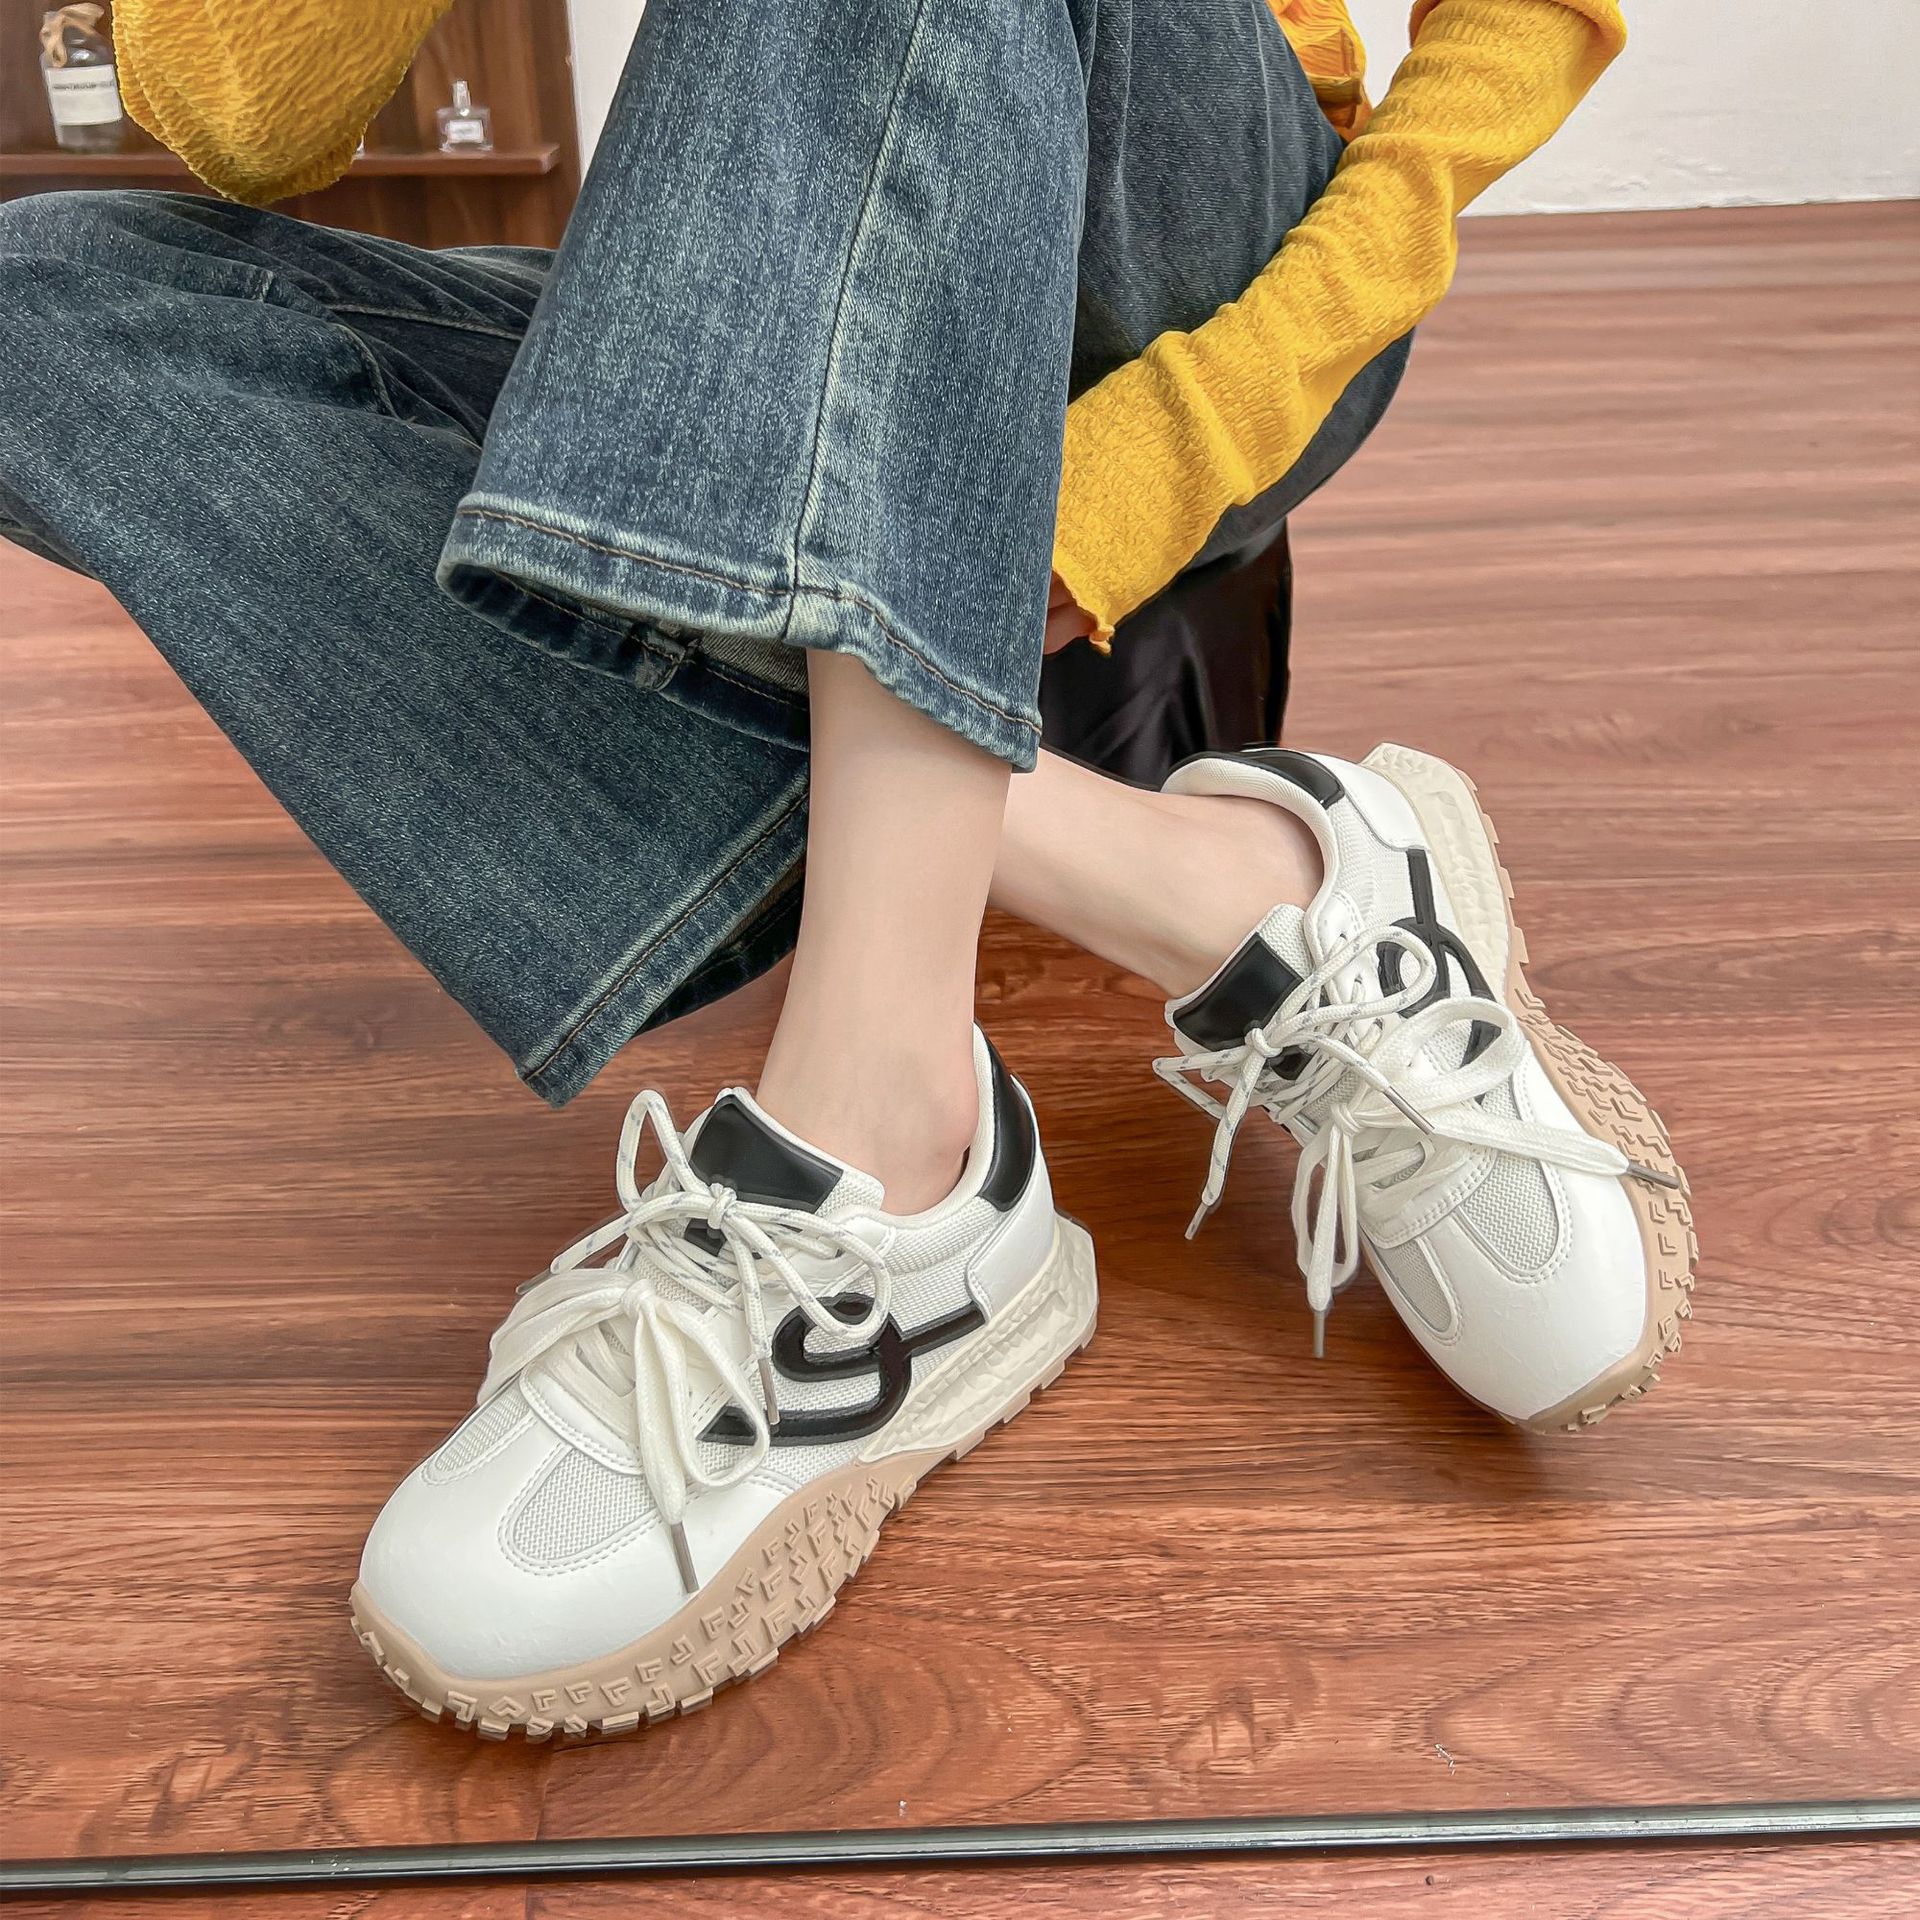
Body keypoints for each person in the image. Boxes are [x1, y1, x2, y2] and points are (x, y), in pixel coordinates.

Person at [0, 0, 1694, 1740]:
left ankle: (888, 1145)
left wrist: (1174, 437)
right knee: (39, 313)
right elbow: (245, 114)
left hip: (1193, 248)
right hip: (804, 282)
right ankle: (1220, 889)